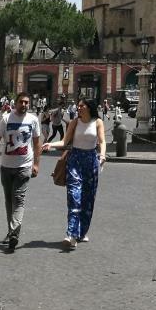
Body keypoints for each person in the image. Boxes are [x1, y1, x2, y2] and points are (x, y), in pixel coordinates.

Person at [42, 98, 106, 250]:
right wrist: (50, 144)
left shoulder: (97, 122)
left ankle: (81, 232)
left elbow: (102, 141)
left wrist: (102, 156)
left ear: (89, 107)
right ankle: (71, 234)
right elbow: (64, 142)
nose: (79, 107)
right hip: (75, 160)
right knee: (74, 196)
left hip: (91, 161)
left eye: (82, 105)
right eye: (78, 105)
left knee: (88, 199)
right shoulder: (74, 122)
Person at [0, 92, 41, 251]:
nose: (24, 105)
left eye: (26, 102)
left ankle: (14, 231)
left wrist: (36, 164)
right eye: (21, 102)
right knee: (9, 200)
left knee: (19, 198)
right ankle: (11, 231)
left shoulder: (33, 120)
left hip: (24, 166)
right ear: (15, 103)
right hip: (6, 166)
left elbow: (37, 143)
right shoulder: (6, 118)